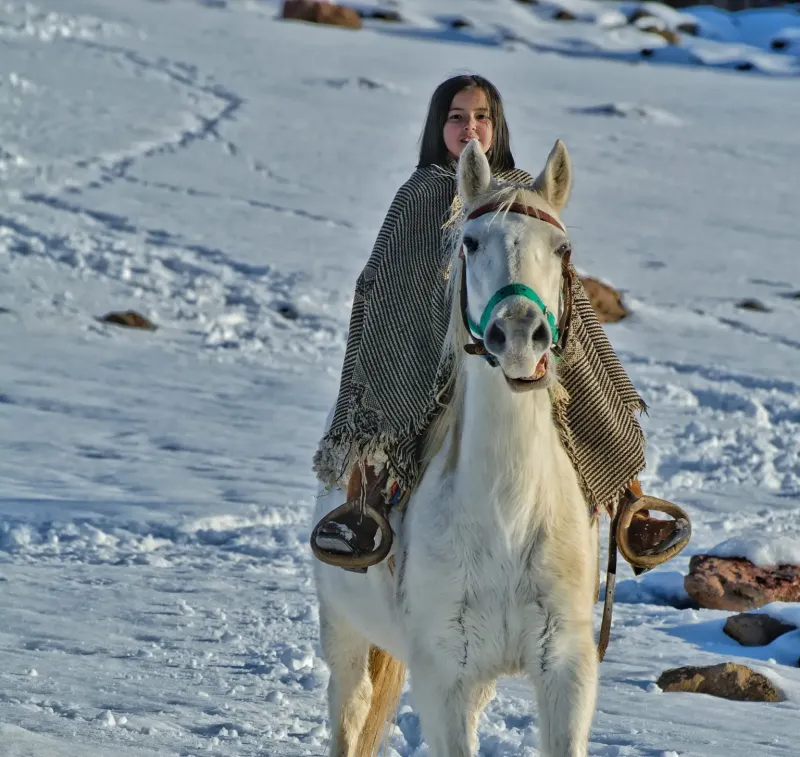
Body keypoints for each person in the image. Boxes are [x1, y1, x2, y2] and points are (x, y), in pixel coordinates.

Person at [311, 74, 689, 573]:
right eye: (457, 117)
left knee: (584, 371)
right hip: (426, 343)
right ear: (437, 125)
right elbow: (387, 282)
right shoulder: (417, 195)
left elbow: (553, 271)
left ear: (498, 125)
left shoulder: (522, 191)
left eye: (482, 117)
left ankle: (626, 501)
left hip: (517, 324)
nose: (471, 128)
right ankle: (370, 509)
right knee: (391, 395)